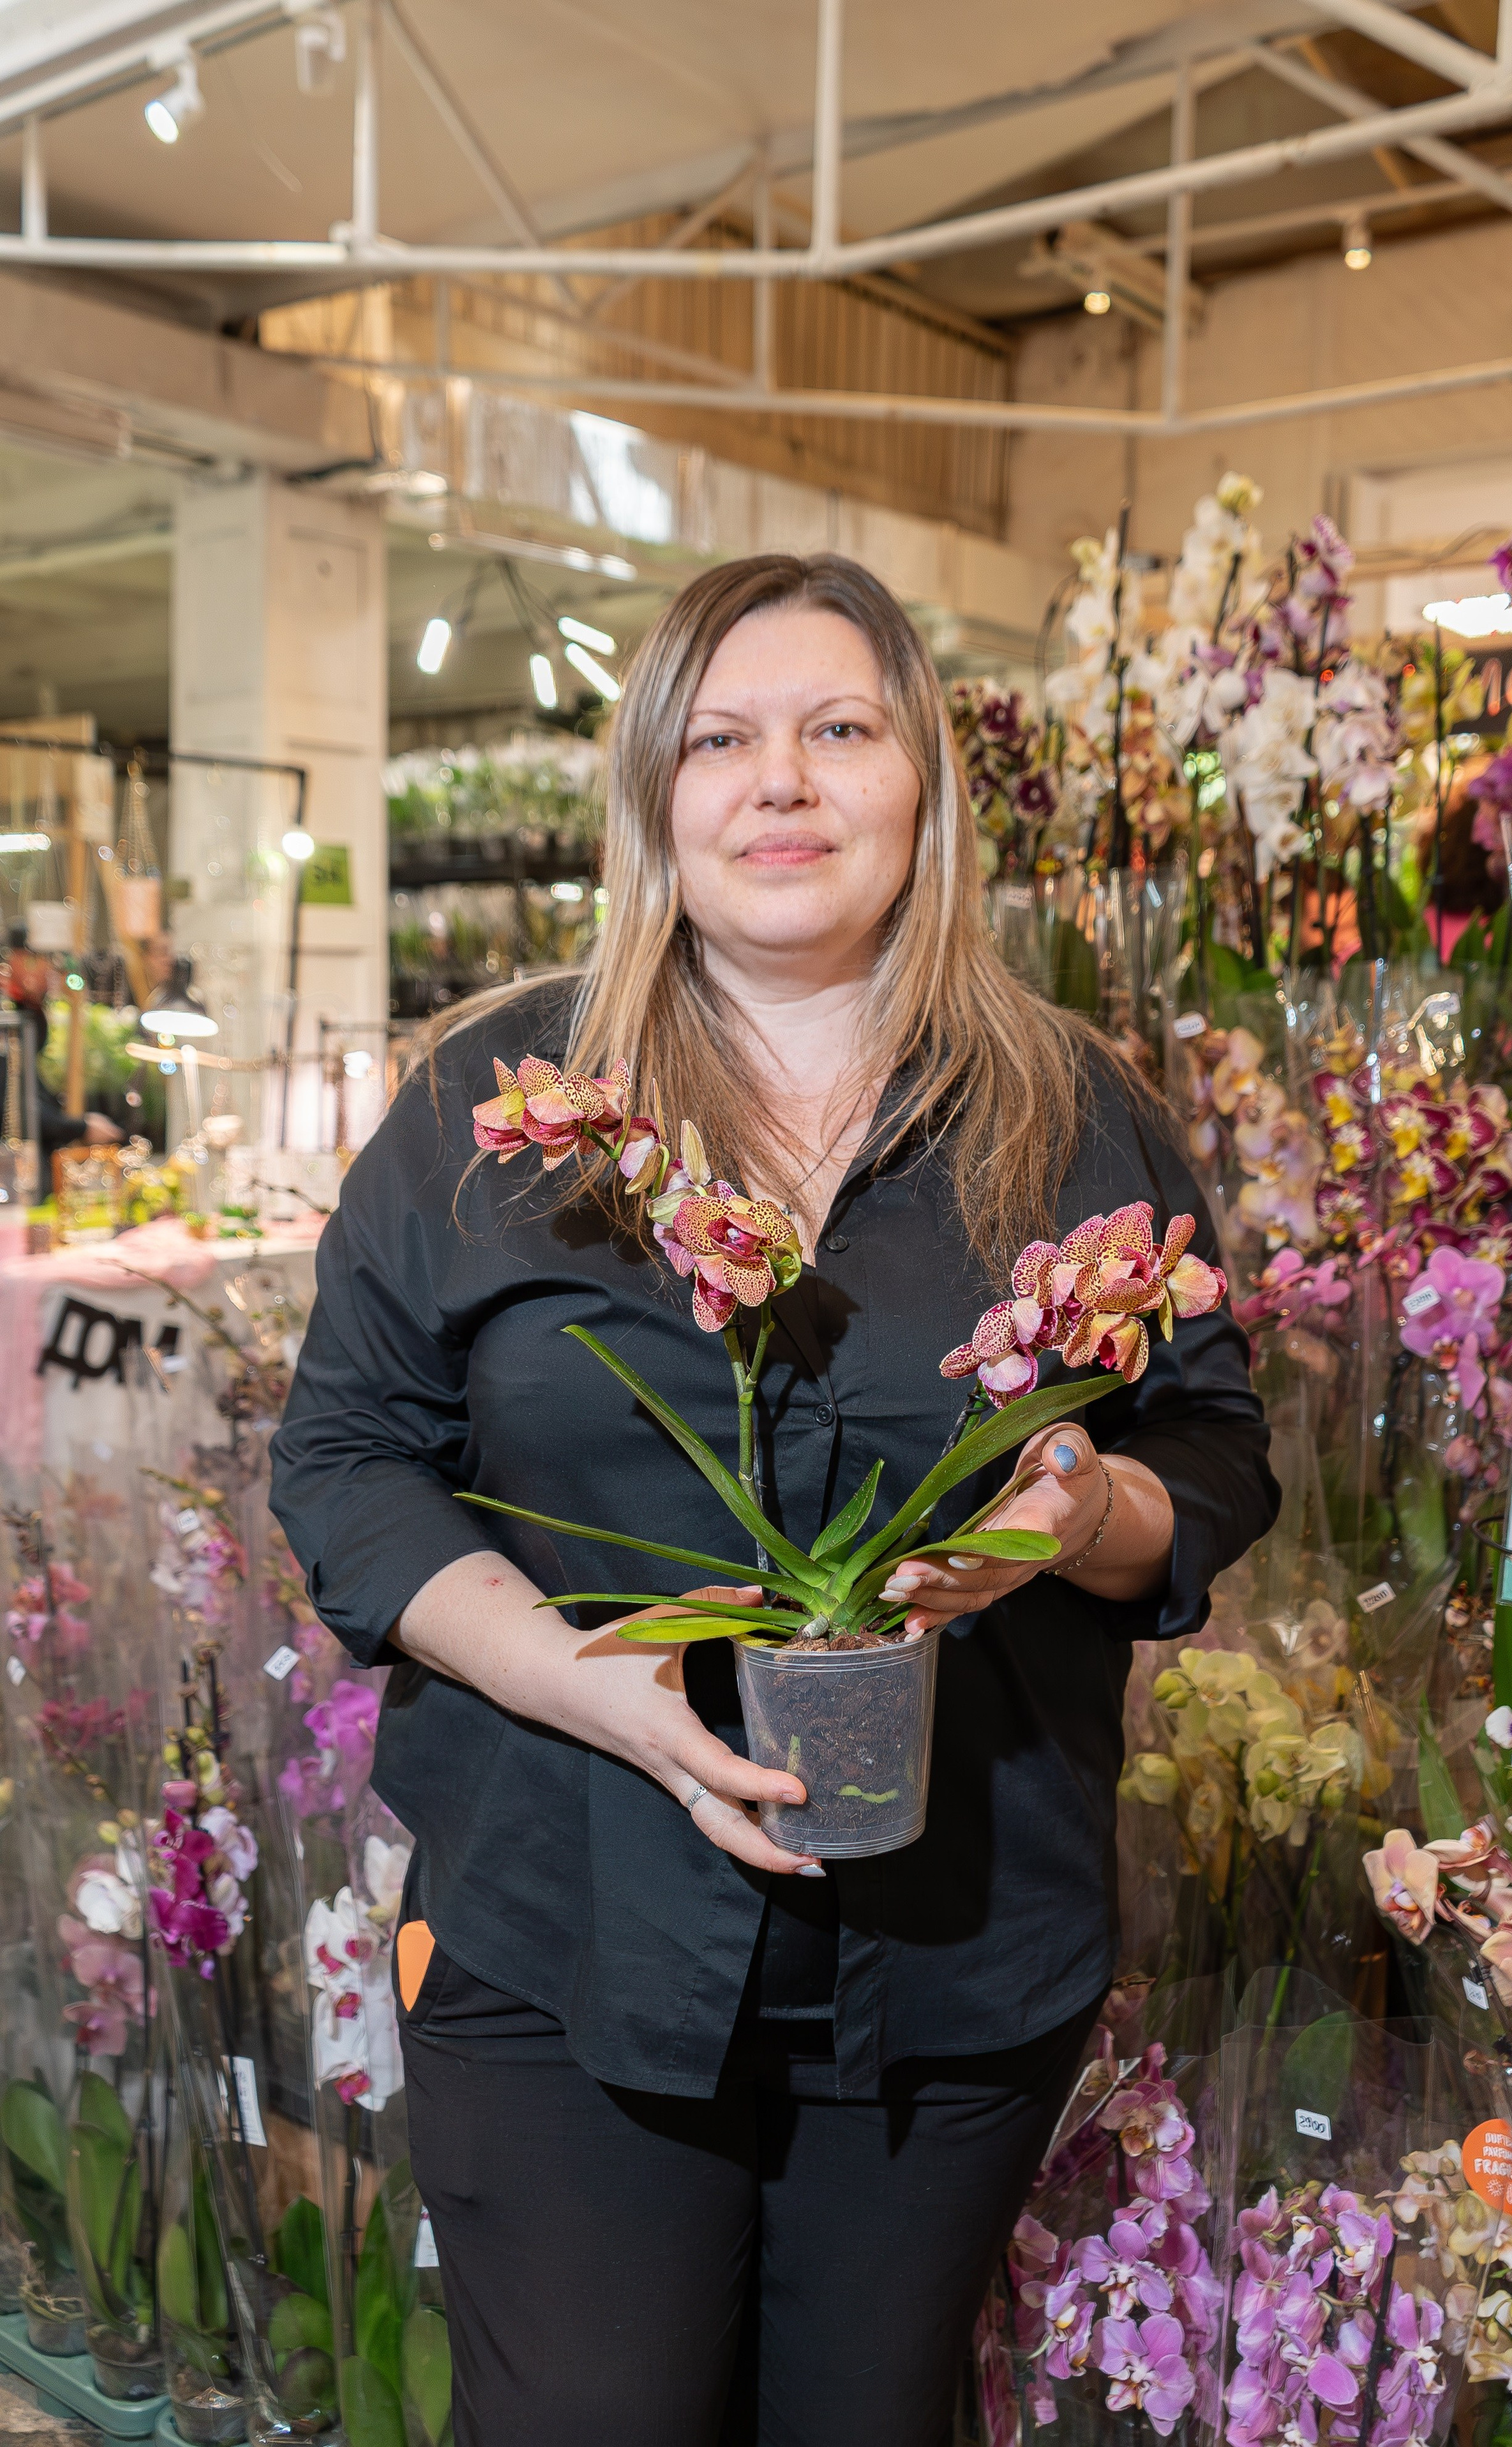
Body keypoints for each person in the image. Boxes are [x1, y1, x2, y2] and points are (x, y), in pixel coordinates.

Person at [269, 553, 1277, 2447]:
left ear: (923, 787)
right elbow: (344, 1457)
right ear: (658, 792)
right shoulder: (501, 1102)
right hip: (563, 1923)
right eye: (722, 738)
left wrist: (1085, 1512)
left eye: (838, 730)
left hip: (954, 1950)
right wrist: (591, 1684)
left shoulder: (1069, 1108)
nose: (781, 782)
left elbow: (1212, 1445)